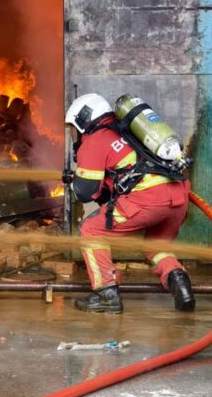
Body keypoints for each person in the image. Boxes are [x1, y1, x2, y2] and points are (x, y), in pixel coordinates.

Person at [64, 93, 195, 314]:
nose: (74, 134)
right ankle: (181, 284)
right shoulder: (127, 132)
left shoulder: (95, 139)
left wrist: (73, 181)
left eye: (73, 128)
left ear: (83, 119)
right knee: (157, 247)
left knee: (91, 230)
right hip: (178, 196)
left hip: (149, 198)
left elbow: (85, 192)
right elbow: (115, 185)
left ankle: (106, 294)